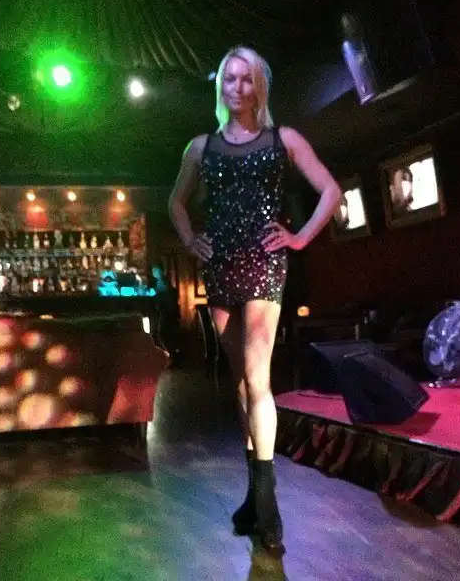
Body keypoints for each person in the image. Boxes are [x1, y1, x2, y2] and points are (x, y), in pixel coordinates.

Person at [168, 45, 341, 553]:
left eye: (247, 79)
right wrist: (189, 239)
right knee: (242, 383)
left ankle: (268, 501)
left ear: (259, 86)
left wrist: (300, 237)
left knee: (258, 378)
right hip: (221, 264)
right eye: (230, 78)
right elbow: (175, 201)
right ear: (220, 86)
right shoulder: (200, 147)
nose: (238, 87)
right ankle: (253, 495)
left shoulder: (283, 138)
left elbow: (330, 191)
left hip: (265, 262)